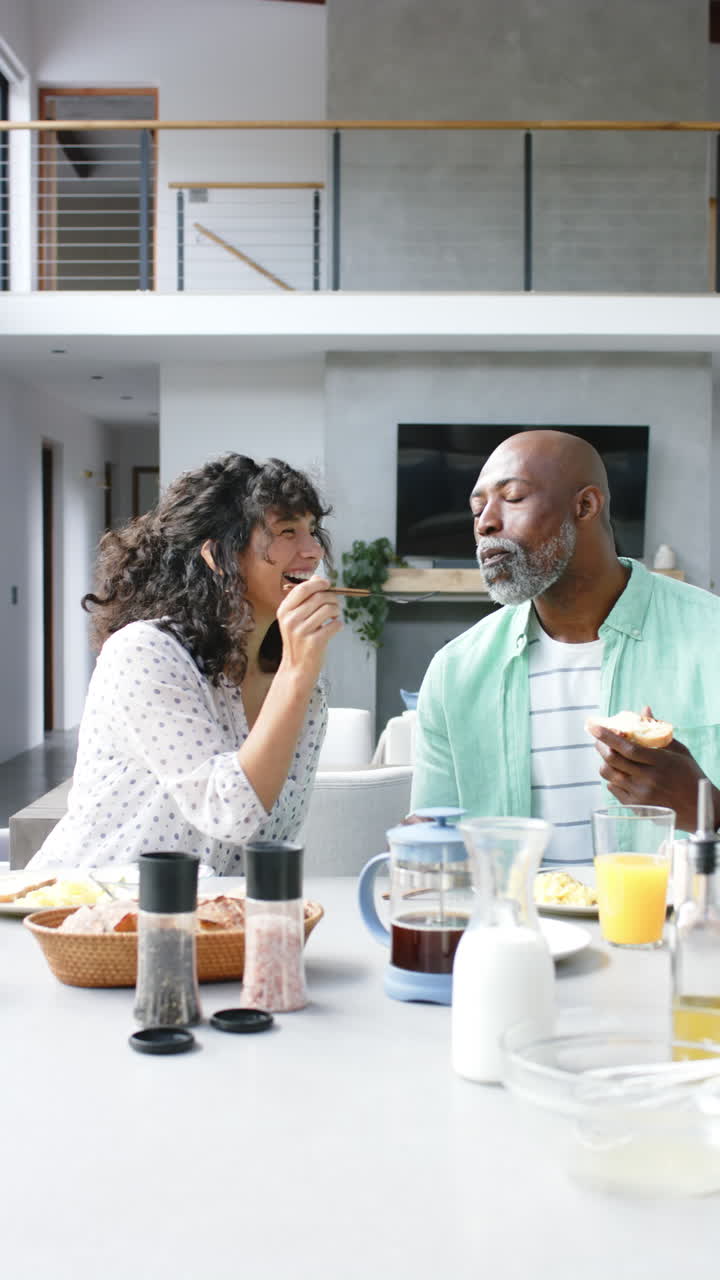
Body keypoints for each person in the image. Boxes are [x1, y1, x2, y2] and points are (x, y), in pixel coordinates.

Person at [411, 430, 720, 860]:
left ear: (586, 506)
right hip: (515, 926)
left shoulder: (713, 636)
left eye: (513, 497)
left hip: (671, 926)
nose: (484, 523)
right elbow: (433, 855)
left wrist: (711, 812)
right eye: (478, 509)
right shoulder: (454, 673)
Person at [29, 453, 342, 874]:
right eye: (287, 531)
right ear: (218, 556)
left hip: (208, 921)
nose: (312, 550)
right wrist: (296, 673)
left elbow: (273, 835)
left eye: (312, 530)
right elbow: (230, 813)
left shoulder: (304, 686)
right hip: (92, 909)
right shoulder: (145, 654)